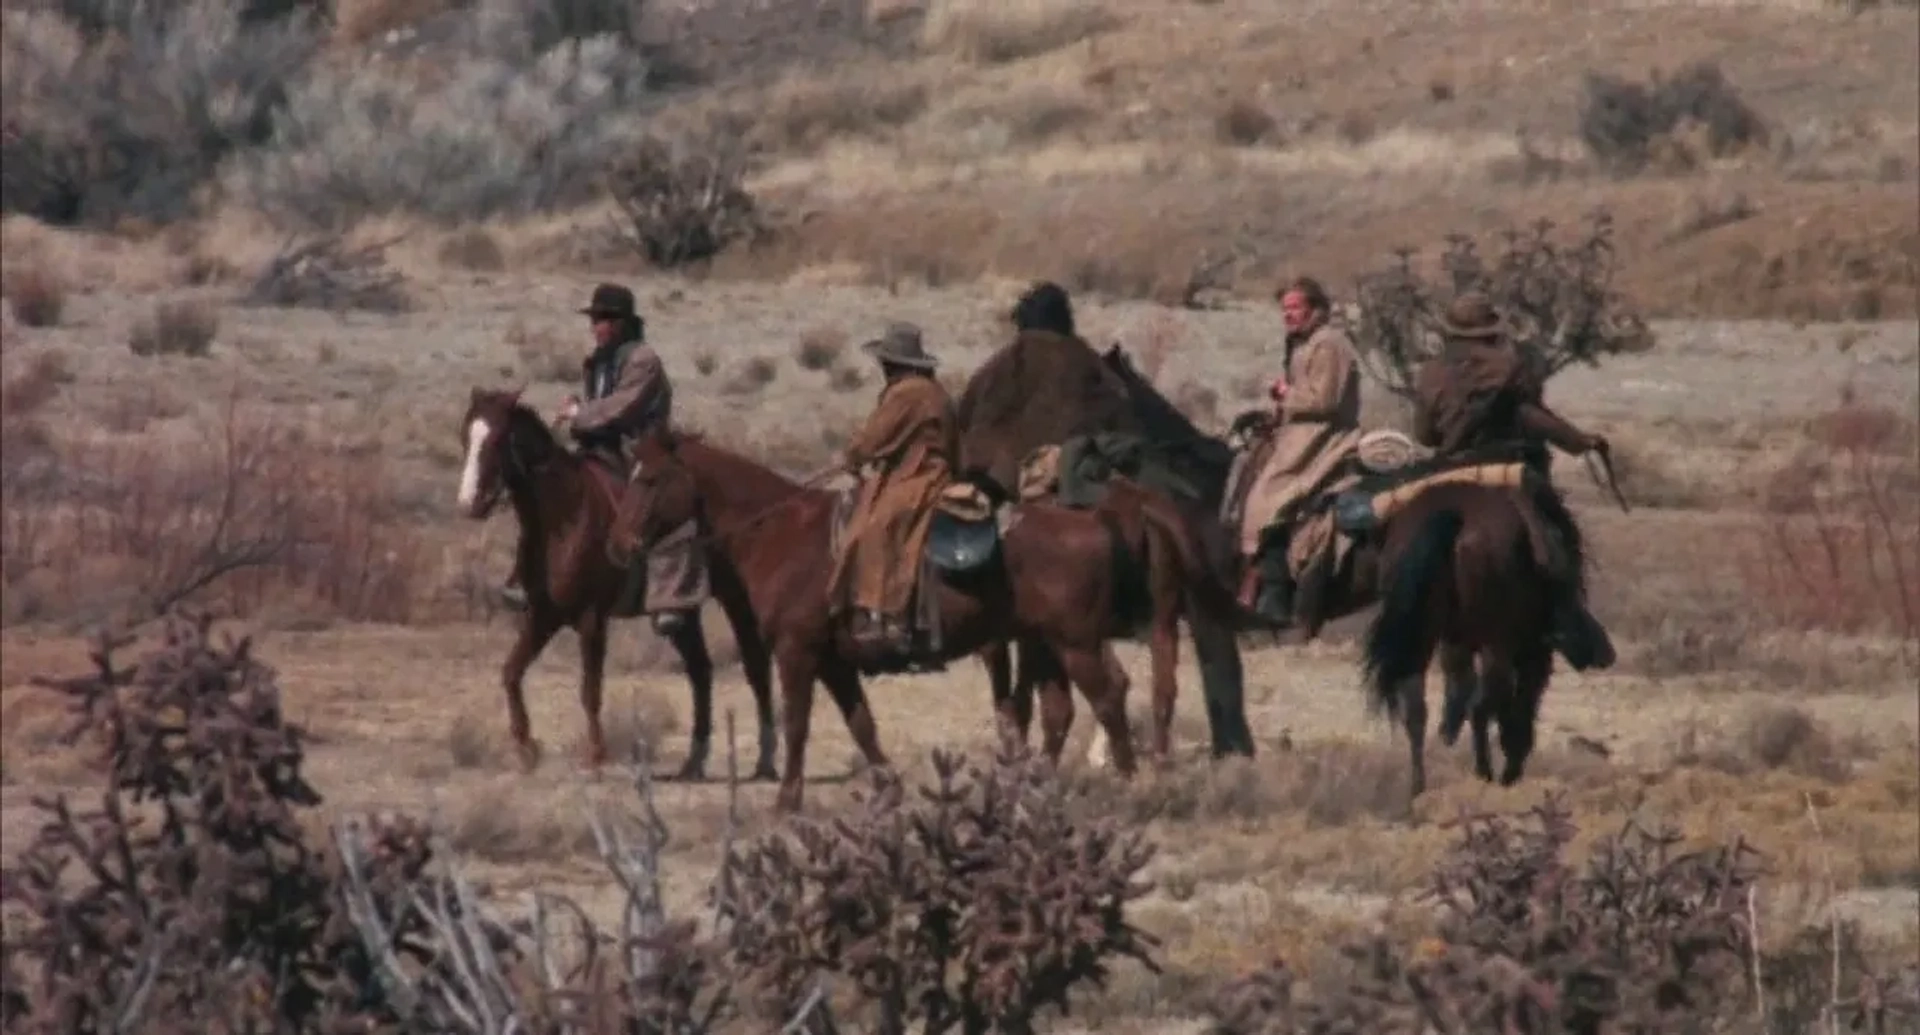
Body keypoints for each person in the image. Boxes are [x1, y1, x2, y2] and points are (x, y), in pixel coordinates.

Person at [1410, 290, 1617, 670]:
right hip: (1506, 467)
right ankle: (1563, 618)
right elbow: (1532, 416)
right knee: (1556, 535)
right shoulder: (1513, 366)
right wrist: (1579, 442)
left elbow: (1424, 435)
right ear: (1490, 330)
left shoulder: (1430, 372)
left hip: (1448, 469)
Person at [499, 283, 706, 635]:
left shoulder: (644, 360)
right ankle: (529, 575)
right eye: (595, 319)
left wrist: (579, 412)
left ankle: (667, 595)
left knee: (660, 510)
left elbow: (620, 407)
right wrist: (578, 412)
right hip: (601, 447)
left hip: (642, 449)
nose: (597, 326)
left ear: (624, 322)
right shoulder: (597, 361)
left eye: (605, 319)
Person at [1232, 276, 1363, 627]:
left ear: (1316, 309)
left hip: (1323, 442)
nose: (1288, 315)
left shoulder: (1329, 344)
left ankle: (1275, 598)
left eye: (1295, 308)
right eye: (1285, 309)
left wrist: (1285, 393)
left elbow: (1325, 399)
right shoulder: (1303, 343)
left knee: (1267, 504)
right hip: (1298, 436)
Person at [828, 321, 960, 657]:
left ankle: (888, 613)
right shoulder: (928, 389)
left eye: (885, 362)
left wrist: (853, 458)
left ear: (894, 363)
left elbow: (875, 436)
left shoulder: (908, 393)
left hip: (921, 474)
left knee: (879, 524)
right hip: (915, 469)